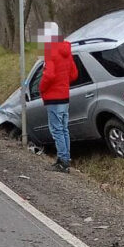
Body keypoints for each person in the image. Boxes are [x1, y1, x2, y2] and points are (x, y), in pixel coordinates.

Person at [38, 22, 78, 173]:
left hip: (53, 98)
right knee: (64, 129)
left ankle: (62, 161)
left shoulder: (50, 52)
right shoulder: (67, 51)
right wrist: (63, 82)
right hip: (64, 97)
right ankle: (66, 158)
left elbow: (49, 75)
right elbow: (74, 74)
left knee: (56, 131)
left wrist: (41, 88)